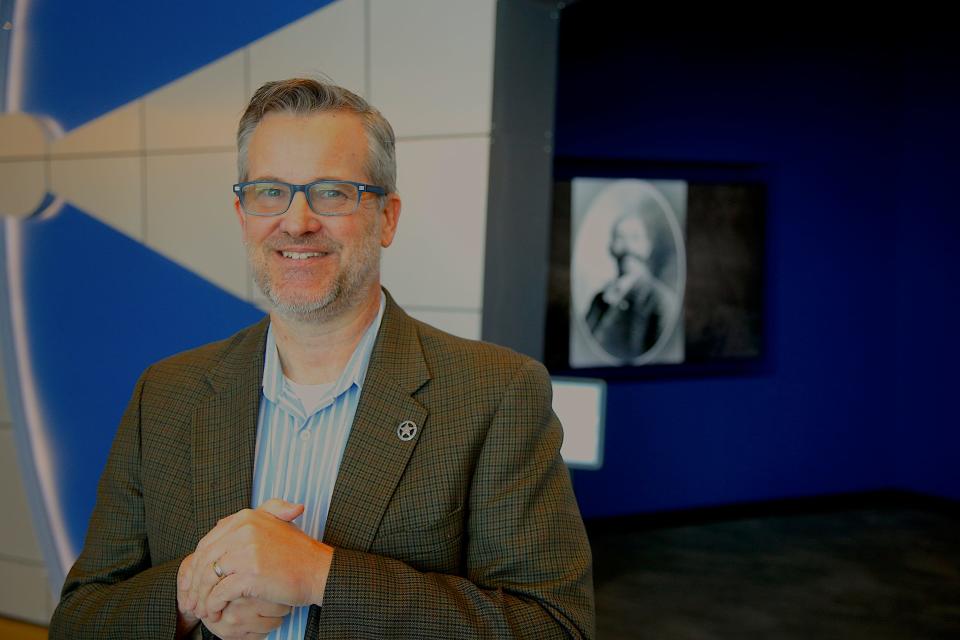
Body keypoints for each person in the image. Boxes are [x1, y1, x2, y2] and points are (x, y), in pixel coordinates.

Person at [49, 78, 594, 639]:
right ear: (242, 215)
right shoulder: (166, 394)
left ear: (386, 217)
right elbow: (79, 620)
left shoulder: (496, 393)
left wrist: (322, 576)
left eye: (332, 192)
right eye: (269, 191)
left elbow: (554, 627)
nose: (297, 220)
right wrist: (190, 594)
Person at [585, 209, 677, 362]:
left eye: (635, 238)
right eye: (620, 238)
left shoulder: (661, 301)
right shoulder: (599, 300)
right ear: (611, 247)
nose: (628, 247)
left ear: (648, 246)